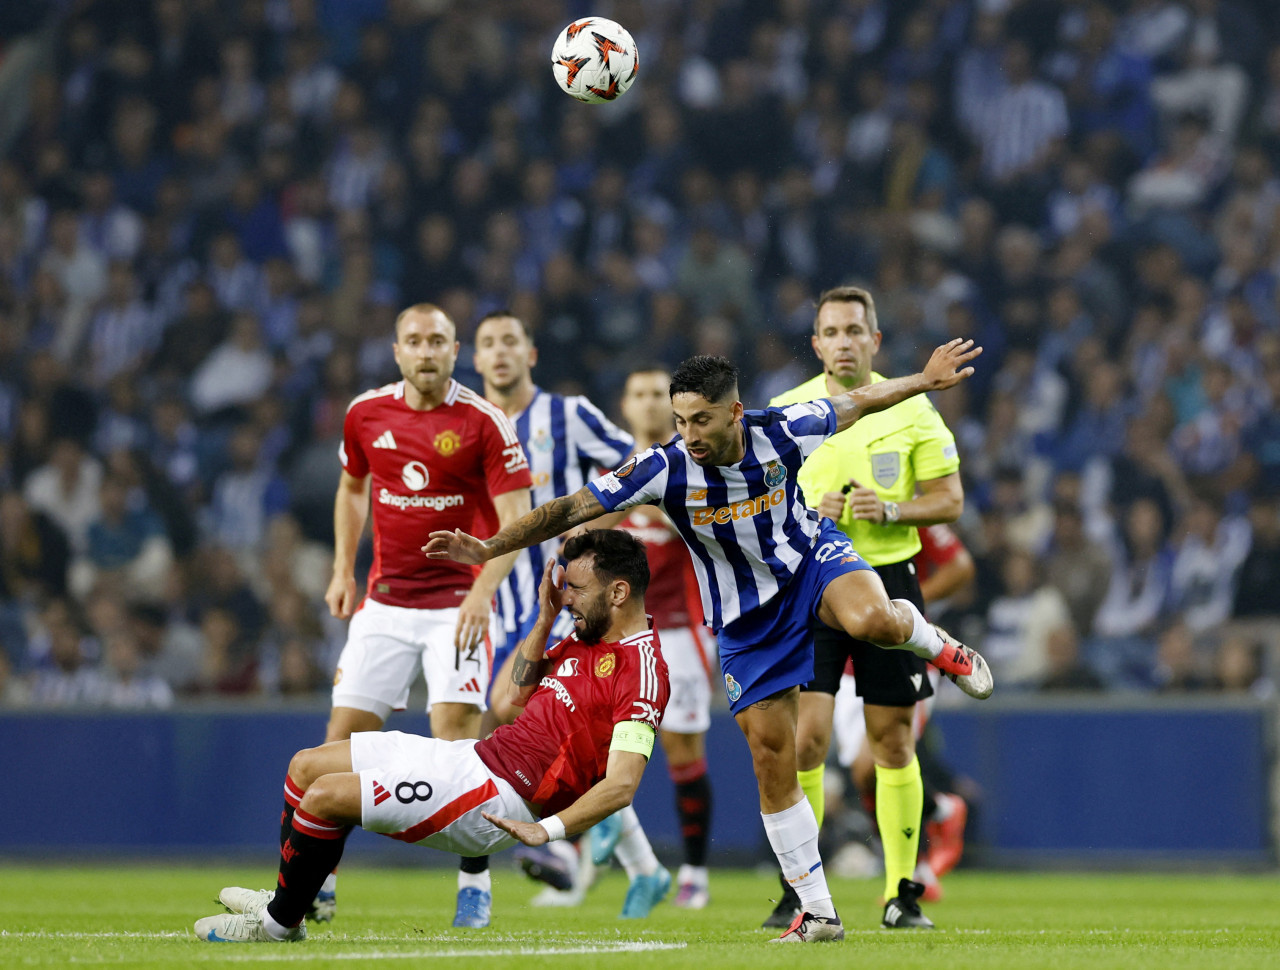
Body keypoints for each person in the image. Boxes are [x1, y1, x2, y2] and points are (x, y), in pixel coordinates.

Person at [427, 338, 992, 941]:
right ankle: (820, 912)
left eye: (701, 419)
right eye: (681, 421)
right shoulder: (664, 467)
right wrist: (491, 546)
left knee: (873, 621)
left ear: (734, 411)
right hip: (746, 618)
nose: (690, 433)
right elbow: (571, 508)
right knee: (774, 759)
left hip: (810, 561)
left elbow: (863, 399)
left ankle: (935, 643)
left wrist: (924, 380)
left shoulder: (785, 429)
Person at [194, 530, 669, 944]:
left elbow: (622, 785)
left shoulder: (642, 672)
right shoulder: (583, 638)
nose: (568, 599)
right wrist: (545, 620)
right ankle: (287, 900)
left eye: (578, 590)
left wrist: (546, 831)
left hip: (501, 800)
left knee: (323, 798)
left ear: (619, 592)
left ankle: (278, 924)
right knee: (306, 766)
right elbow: (513, 694)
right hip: (476, 758)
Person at [322, 303, 533, 929]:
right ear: (396, 351)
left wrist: (481, 593)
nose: (426, 351)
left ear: (453, 349)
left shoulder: (483, 422)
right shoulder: (365, 414)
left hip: (455, 610)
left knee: (457, 742)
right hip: (384, 603)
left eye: (437, 340)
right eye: (414, 341)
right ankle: (320, 880)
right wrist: (341, 568)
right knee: (339, 740)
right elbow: (352, 489)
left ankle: (475, 885)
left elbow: (515, 521)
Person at [767, 285, 971, 929]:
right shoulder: (785, 412)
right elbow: (760, 507)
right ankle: (801, 891)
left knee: (891, 742)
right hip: (812, 588)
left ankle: (901, 893)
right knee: (807, 741)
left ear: (875, 340)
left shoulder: (912, 411)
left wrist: (890, 509)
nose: (845, 341)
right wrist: (804, 514)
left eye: (857, 330)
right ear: (817, 343)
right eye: (833, 331)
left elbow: (950, 502)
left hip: (891, 584)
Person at [471, 310, 634, 903]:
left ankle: (559, 847)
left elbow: (636, 471)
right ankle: (612, 850)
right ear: (477, 358)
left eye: (511, 340)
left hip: (560, 603)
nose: (501, 352)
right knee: (490, 724)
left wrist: (588, 547)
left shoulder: (569, 414)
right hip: (491, 603)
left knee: (512, 711)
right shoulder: (467, 425)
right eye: (489, 344)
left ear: (531, 354)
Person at [592, 365, 718, 913]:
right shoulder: (608, 475)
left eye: (655, 395)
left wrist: (656, 507)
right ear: (624, 405)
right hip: (618, 638)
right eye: (637, 393)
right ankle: (628, 857)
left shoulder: (692, 468)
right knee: (591, 747)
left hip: (679, 634)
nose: (647, 404)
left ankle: (693, 871)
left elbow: (710, 533)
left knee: (681, 754)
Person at [833, 523, 976, 904]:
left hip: (905, 652)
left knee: (873, 763)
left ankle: (924, 839)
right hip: (844, 657)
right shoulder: (823, 491)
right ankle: (919, 860)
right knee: (865, 777)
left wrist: (904, 606)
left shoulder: (902, 504)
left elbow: (960, 566)